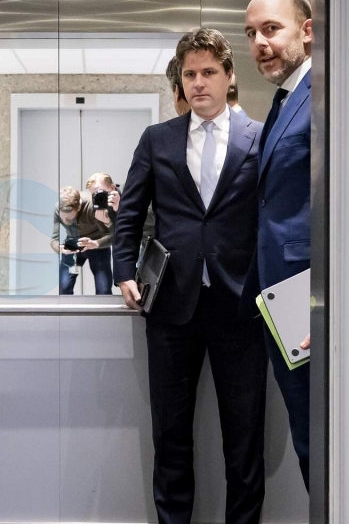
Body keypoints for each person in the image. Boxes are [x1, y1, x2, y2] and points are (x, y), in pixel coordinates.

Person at [113, 28, 268, 524]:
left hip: (241, 307)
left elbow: (274, 216)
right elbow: (129, 214)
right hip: (171, 308)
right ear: (180, 81)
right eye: (190, 74)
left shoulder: (259, 136)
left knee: (244, 440)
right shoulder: (157, 138)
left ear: (229, 76)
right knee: (171, 437)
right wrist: (123, 271)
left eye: (209, 72)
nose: (198, 83)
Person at [242, 0, 314, 490]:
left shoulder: (326, 95)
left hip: (308, 307)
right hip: (282, 302)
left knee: (320, 440)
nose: (259, 43)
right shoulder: (285, 97)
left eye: (271, 29)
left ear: (307, 31)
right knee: (309, 435)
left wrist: (327, 306)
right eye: (251, 33)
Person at [51, 186, 113, 295]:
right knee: (64, 288)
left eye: (69, 218)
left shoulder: (92, 206)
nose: (65, 221)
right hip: (73, 244)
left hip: (97, 244)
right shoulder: (58, 207)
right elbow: (54, 240)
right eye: (62, 218)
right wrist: (60, 248)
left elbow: (112, 235)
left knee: (103, 290)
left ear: (79, 207)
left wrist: (96, 243)